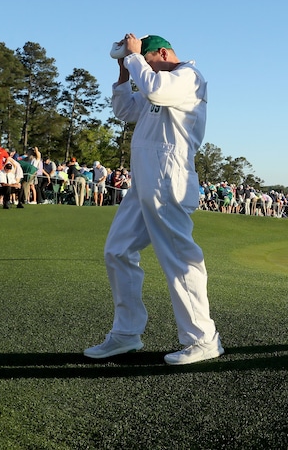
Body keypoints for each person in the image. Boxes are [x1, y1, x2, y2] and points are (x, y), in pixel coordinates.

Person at [84, 33, 222, 365]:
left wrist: (134, 59)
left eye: (146, 61)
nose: (142, 68)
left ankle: (202, 339)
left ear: (162, 53)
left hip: (168, 176)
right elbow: (124, 111)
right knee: (117, 250)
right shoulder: (154, 81)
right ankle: (126, 334)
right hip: (145, 179)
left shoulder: (187, 76)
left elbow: (156, 89)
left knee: (178, 257)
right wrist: (123, 76)